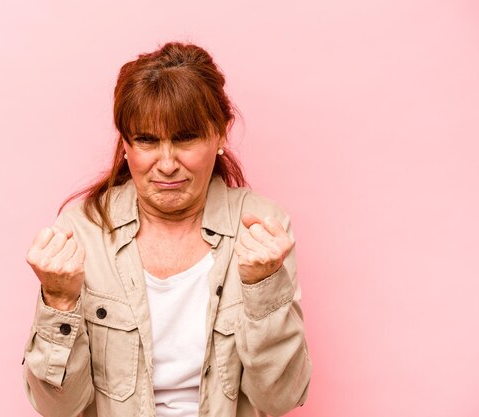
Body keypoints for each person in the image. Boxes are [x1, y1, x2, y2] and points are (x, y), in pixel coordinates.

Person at [22, 41, 312, 417]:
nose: (167, 163)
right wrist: (58, 301)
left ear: (221, 134)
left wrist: (264, 288)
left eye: (185, 138)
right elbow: (57, 408)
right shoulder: (81, 231)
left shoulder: (262, 230)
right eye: (147, 140)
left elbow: (280, 399)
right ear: (126, 144)